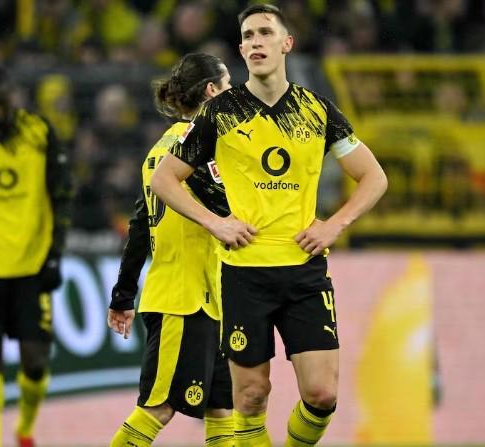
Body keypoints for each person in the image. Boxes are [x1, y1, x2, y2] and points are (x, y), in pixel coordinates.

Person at [150, 4, 388, 446]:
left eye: (265, 33)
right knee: (251, 395)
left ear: (286, 44)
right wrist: (216, 223)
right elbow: (164, 179)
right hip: (245, 275)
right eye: (248, 36)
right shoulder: (220, 112)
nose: (256, 42)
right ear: (241, 51)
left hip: (304, 271)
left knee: (322, 394)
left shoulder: (316, 110)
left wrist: (335, 225)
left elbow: (374, 177)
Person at [107, 53, 234, 447]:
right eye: (229, 85)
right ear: (212, 91)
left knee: (222, 410)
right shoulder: (200, 148)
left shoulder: (158, 151)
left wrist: (123, 295)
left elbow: (139, 226)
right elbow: (228, 209)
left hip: (205, 300)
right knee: (158, 408)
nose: (234, 94)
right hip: (183, 301)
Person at [0, 65, 72, 447]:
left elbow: (61, 193)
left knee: (35, 361)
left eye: (2, 101)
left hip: (31, 265)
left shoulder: (39, 132)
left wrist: (55, 254)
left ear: (13, 96)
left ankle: (25, 428)